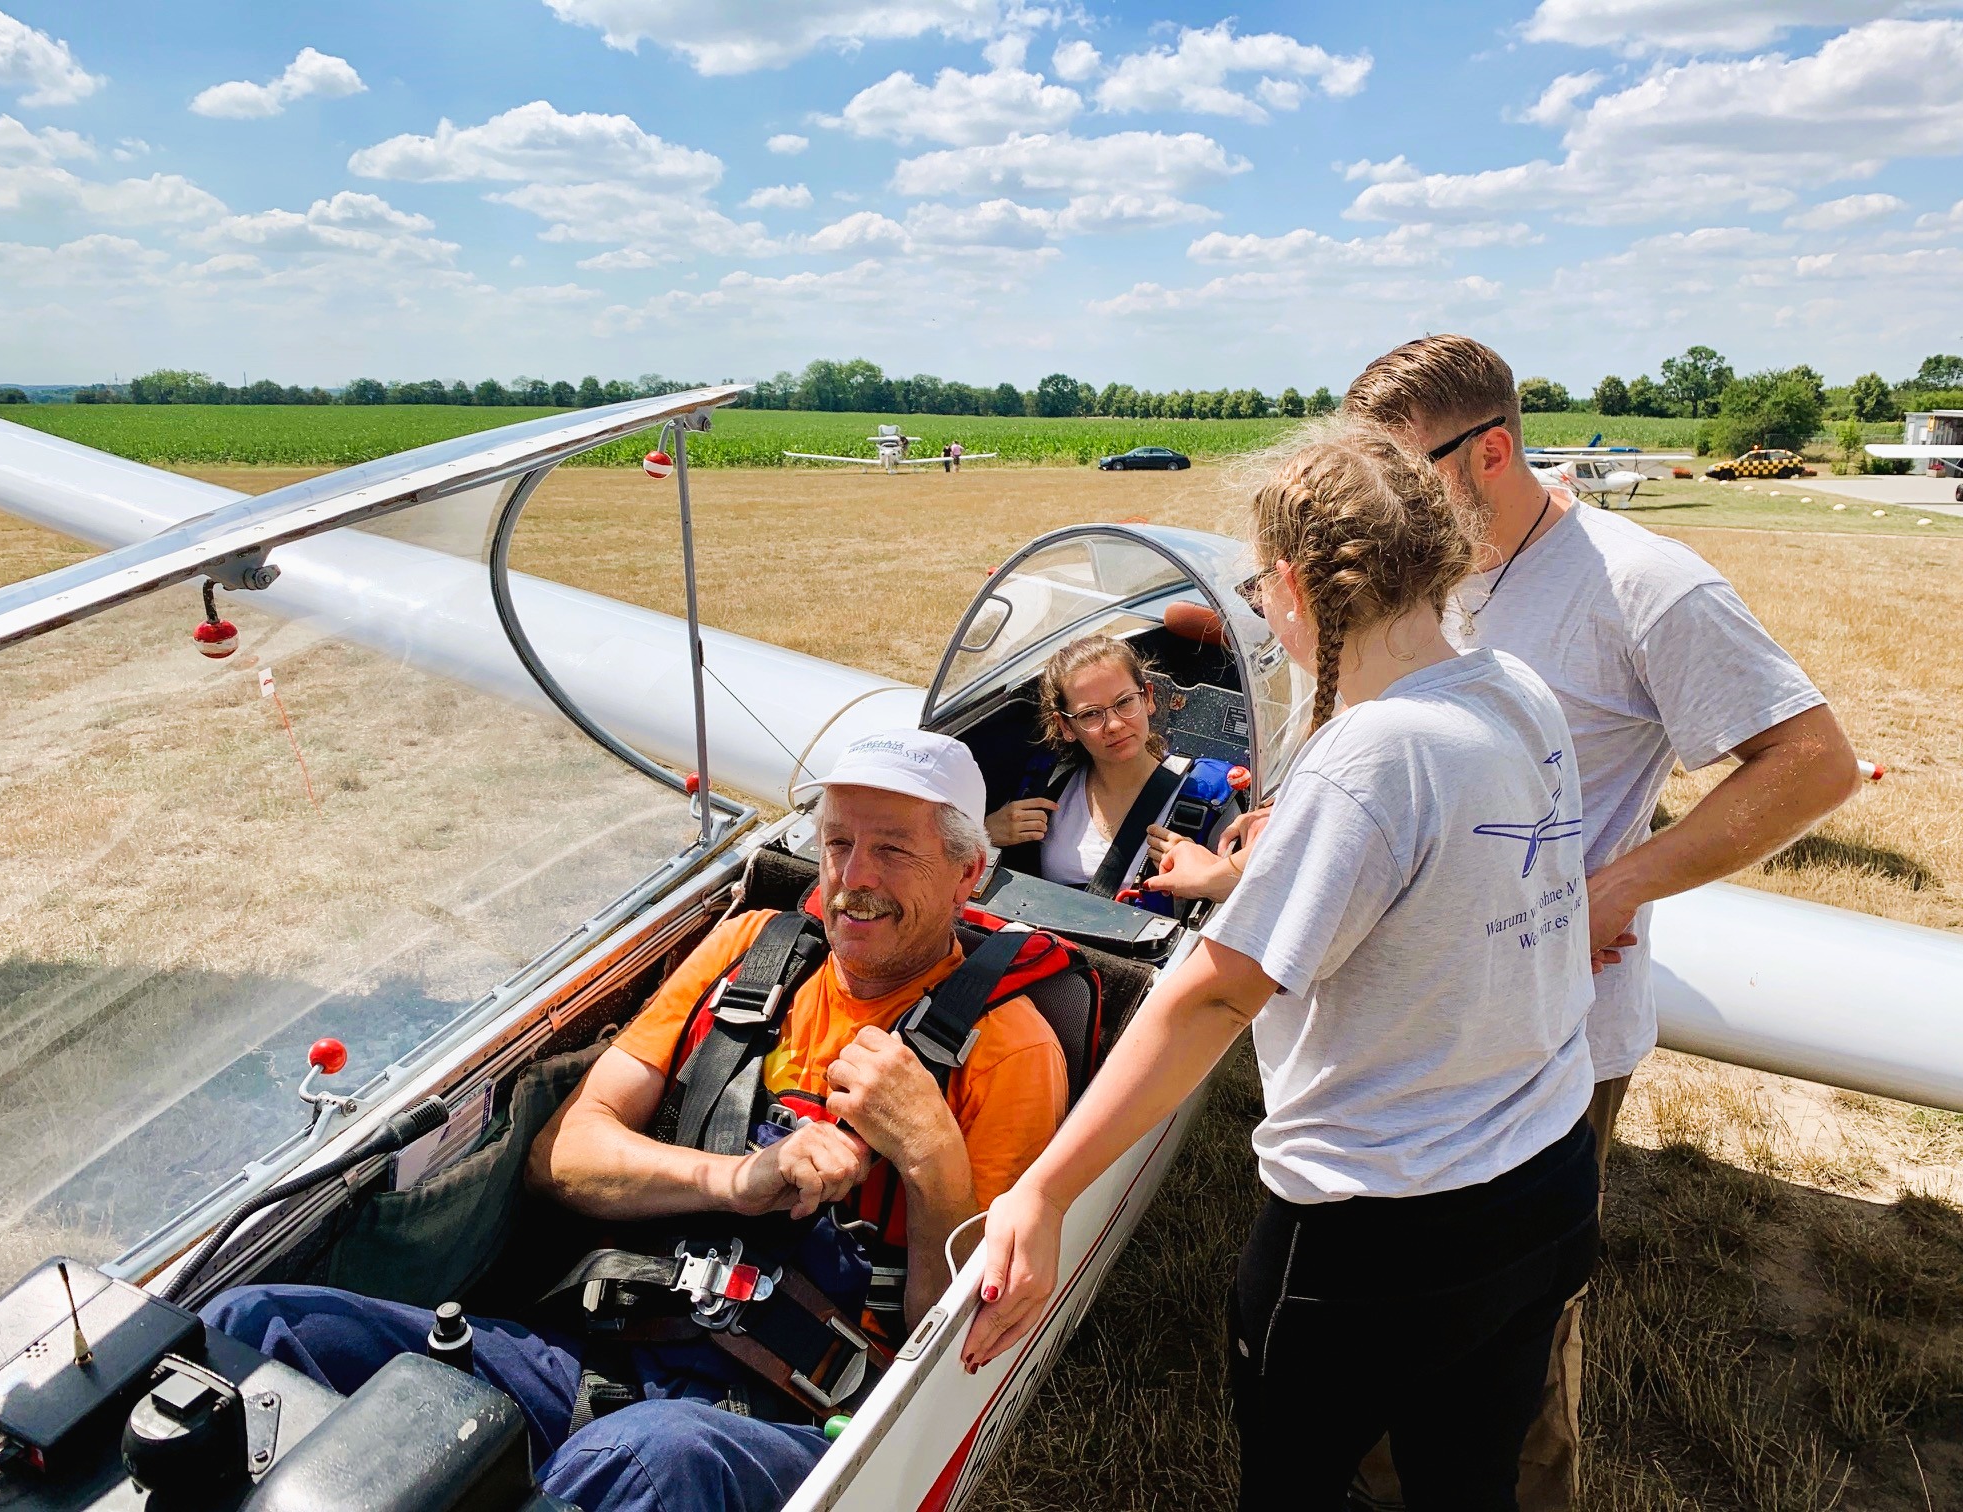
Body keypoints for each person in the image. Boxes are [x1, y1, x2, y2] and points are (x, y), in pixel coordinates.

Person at [964, 424, 1601, 1511]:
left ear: (1297, 584)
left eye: (1262, 586)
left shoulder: (1372, 754)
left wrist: (1044, 1190)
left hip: (1385, 1228)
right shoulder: (1513, 688)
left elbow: (1215, 996)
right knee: (1469, 1486)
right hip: (1547, 1178)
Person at [204, 730, 1069, 1512]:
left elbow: (950, 1347)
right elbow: (562, 1156)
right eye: (838, 843)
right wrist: (736, 1180)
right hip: (591, 1357)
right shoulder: (753, 952)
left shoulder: (1009, 1050)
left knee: (645, 1461)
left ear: (968, 874)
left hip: (793, 1411)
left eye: (893, 850)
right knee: (258, 1326)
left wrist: (930, 1155)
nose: (855, 878)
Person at [1339, 335, 1860, 1509]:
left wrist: (1619, 887)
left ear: (1492, 451)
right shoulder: (1424, 567)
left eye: (1404, 471)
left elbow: (1813, 761)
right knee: (1382, 1304)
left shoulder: (1643, 582)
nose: (1381, 501)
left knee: (1509, 1341)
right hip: (1404, 1013)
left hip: (1550, 1030)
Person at [984, 634, 1190, 892]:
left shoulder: (1200, 799)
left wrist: (1207, 875)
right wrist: (984, 835)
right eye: (1090, 714)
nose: (1114, 725)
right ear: (1065, 726)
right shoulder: (1045, 788)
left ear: (1147, 698)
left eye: (1125, 702)